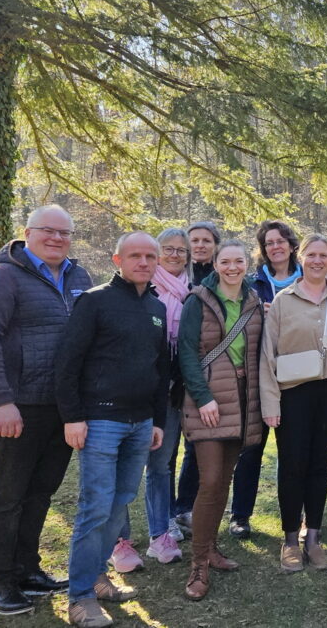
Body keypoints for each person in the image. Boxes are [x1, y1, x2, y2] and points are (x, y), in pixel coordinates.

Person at [0, 204, 93, 616]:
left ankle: (28, 569)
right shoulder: (2, 277)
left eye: (65, 233)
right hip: (18, 407)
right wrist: (1, 401)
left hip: (61, 406)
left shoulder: (79, 277)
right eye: (48, 231)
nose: (57, 238)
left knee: (41, 493)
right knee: (8, 495)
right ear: (28, 233)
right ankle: (1, 580)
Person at [54, 232, 170, 628]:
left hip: (141, 424)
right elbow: (68, 362)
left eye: (150, 256)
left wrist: (158, 421)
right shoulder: (95, 300)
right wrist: (72, 416)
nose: (143, 262)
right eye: (135, 255)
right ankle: (80, 597)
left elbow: (160, 370)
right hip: (101, 421)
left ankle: (98, 577)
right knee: (96, 506)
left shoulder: (156, 307)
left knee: (121, 500)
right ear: (117, 259)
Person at [259, 234, 327, 573]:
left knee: (320, 466)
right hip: (293, 395)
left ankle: (313, 538)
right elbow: (267, 357)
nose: (318, 260)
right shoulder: (283, 301)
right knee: (292, 466)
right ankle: (290, 539)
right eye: (312, 254)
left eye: (323, 255)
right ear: (300, 257)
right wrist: (271, 403)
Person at [175, 240, 265, 601]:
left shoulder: (254, 301)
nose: (232, 267)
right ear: (215, 263)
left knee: (224, 479)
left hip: (244, 400)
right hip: (209, 400)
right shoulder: (198, 301)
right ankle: (197, 564)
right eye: (225, 261)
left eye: (238, 261)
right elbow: (186, 354)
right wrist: (203, 397)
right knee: (210, 480)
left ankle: (211, 547)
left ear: (247, 264)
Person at [113, 228, 190, 571]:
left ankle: (161, 534)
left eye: (180, 250)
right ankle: (120, 540)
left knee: (160, 465)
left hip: (168, 391)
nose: (174, 255)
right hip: (125, 395)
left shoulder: (192, 293)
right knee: (124, 468)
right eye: (168, 249)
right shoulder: (135, 291)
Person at [226, 220, 301, 539]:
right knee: (250, 449)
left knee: (294, 453)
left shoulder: (309, 279)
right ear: (263, 248)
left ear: (292, 244)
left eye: (281, 240)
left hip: (298, 376)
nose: (276, 246)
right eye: (269, 242)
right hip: (257, 375)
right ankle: (240, 515)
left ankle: (295, 518)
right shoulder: (251, 283)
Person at [173, 222, 222, 533]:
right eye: (195, 240)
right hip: (172, 372)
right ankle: (171, 513)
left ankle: (188, 507)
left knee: (197, 445)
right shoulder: (176, 277)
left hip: (206, 373)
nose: (201, 245)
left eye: (207, 240)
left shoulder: (221, 278)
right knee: (167, 451)